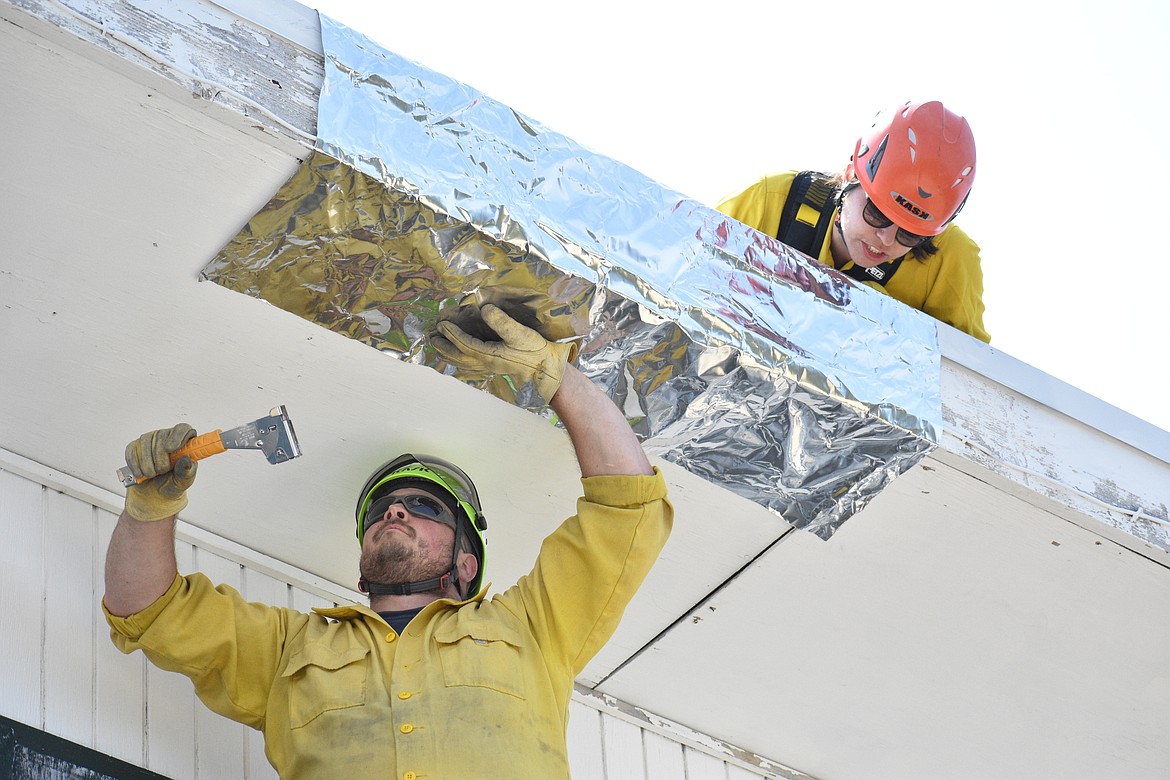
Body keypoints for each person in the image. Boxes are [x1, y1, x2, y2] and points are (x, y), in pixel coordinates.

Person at [103, 302, 674, 779]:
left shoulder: (530, 629)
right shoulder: (287, 653)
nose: (395, 508)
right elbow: (148, 611)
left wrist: (557, 375)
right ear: (360, 567)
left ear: (467, 562)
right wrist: (150, 507)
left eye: (424, 507)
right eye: (381, 509)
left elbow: (628, 509)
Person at [716, 100, 990, 343]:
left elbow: (964, 383)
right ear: (849, 176)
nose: (886, 239)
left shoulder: (951, 258)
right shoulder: (771, 202)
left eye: (910, 234)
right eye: (878, 214)